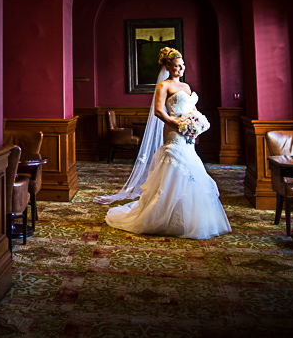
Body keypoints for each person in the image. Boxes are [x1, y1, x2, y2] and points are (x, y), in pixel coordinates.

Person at [97, 47, 231, 239]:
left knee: (192, 170)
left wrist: (195, 125)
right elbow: (159, 111)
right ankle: (162, 215)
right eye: (177, 66)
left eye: (182, 65)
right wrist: (177, 124)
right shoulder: (164, 86)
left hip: (187, 135)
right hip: (173, 132)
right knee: (174, 166)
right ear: (168, 67)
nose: (181, 69)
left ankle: (189, 218)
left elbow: (193, 109)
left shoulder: (186, 87)